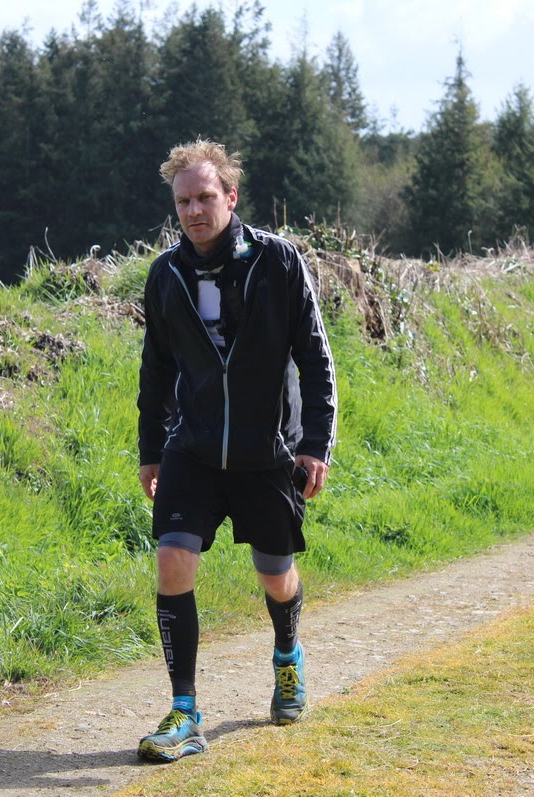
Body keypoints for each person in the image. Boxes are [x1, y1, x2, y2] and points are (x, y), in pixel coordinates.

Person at [135, 139, 337, 762]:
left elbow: (315, 357)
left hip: (266, 453)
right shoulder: (165, 274)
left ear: (231, 196)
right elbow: (156, 368)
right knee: (173, 559)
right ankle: (185, 711)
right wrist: (151, 450)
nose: (193, 211)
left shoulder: (279, 261)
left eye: (204, 197)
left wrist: (315, 445)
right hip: (192, 449)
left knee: (275, 575)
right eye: (183, 202)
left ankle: (288, 658)